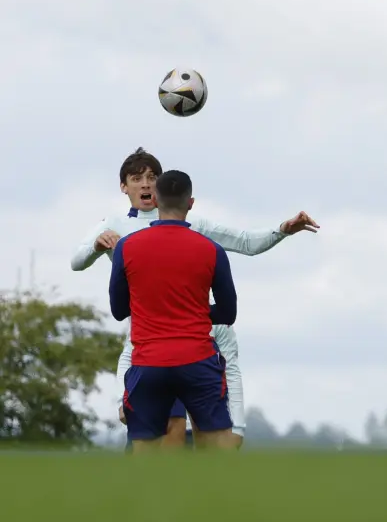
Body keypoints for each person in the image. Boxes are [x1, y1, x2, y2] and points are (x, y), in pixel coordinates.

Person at [71, 148, 319, 449]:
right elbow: (76, 261)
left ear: (162, 188)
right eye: (137, 178)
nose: (146, 184)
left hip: (194, 343)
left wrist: (281, 230)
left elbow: (244, 241)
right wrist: (97, 246)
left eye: (152, 177)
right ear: (124, 186)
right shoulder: (114, 228)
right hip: (147, 341)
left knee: (198, 439)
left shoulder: (197, 227)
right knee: (164, 432)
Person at [110, 170, 240, 451]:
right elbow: (228, 313)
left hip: (148, 363)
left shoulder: (126, 247)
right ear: (190, 203)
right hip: (198, 360)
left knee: (145, 454)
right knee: (218, 448)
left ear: (155, 199)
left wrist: (154, 309)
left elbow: (119, 310)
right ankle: (223, 496)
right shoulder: (212, 250)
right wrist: (192, 313)